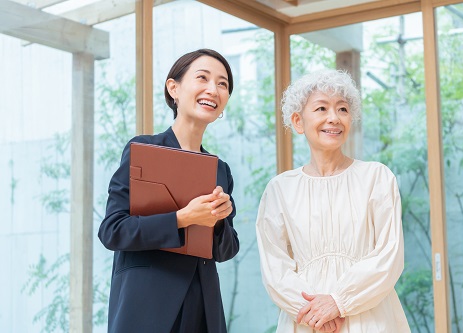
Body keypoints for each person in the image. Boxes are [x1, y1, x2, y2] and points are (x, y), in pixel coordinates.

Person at [255, 69, 410, 333]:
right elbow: (275, 268)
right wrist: (314, 313)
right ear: (298, 121)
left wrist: (339, 302)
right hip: (307, 321)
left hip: (370, 316)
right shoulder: (279, 189)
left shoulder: (377, 177)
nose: (334, 118)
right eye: (321, 108)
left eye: (342, 109)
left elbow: (389, 255)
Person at [98, 48, 240, 333]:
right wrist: (181, 218)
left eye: (222, 84)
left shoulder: (220, 169)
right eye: (203, 78)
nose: (213, 89)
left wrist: (220, 220)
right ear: (173, 88)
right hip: (147, 307)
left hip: (203, 308)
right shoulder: (143, 151)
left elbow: (226, 250)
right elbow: (112, 230)